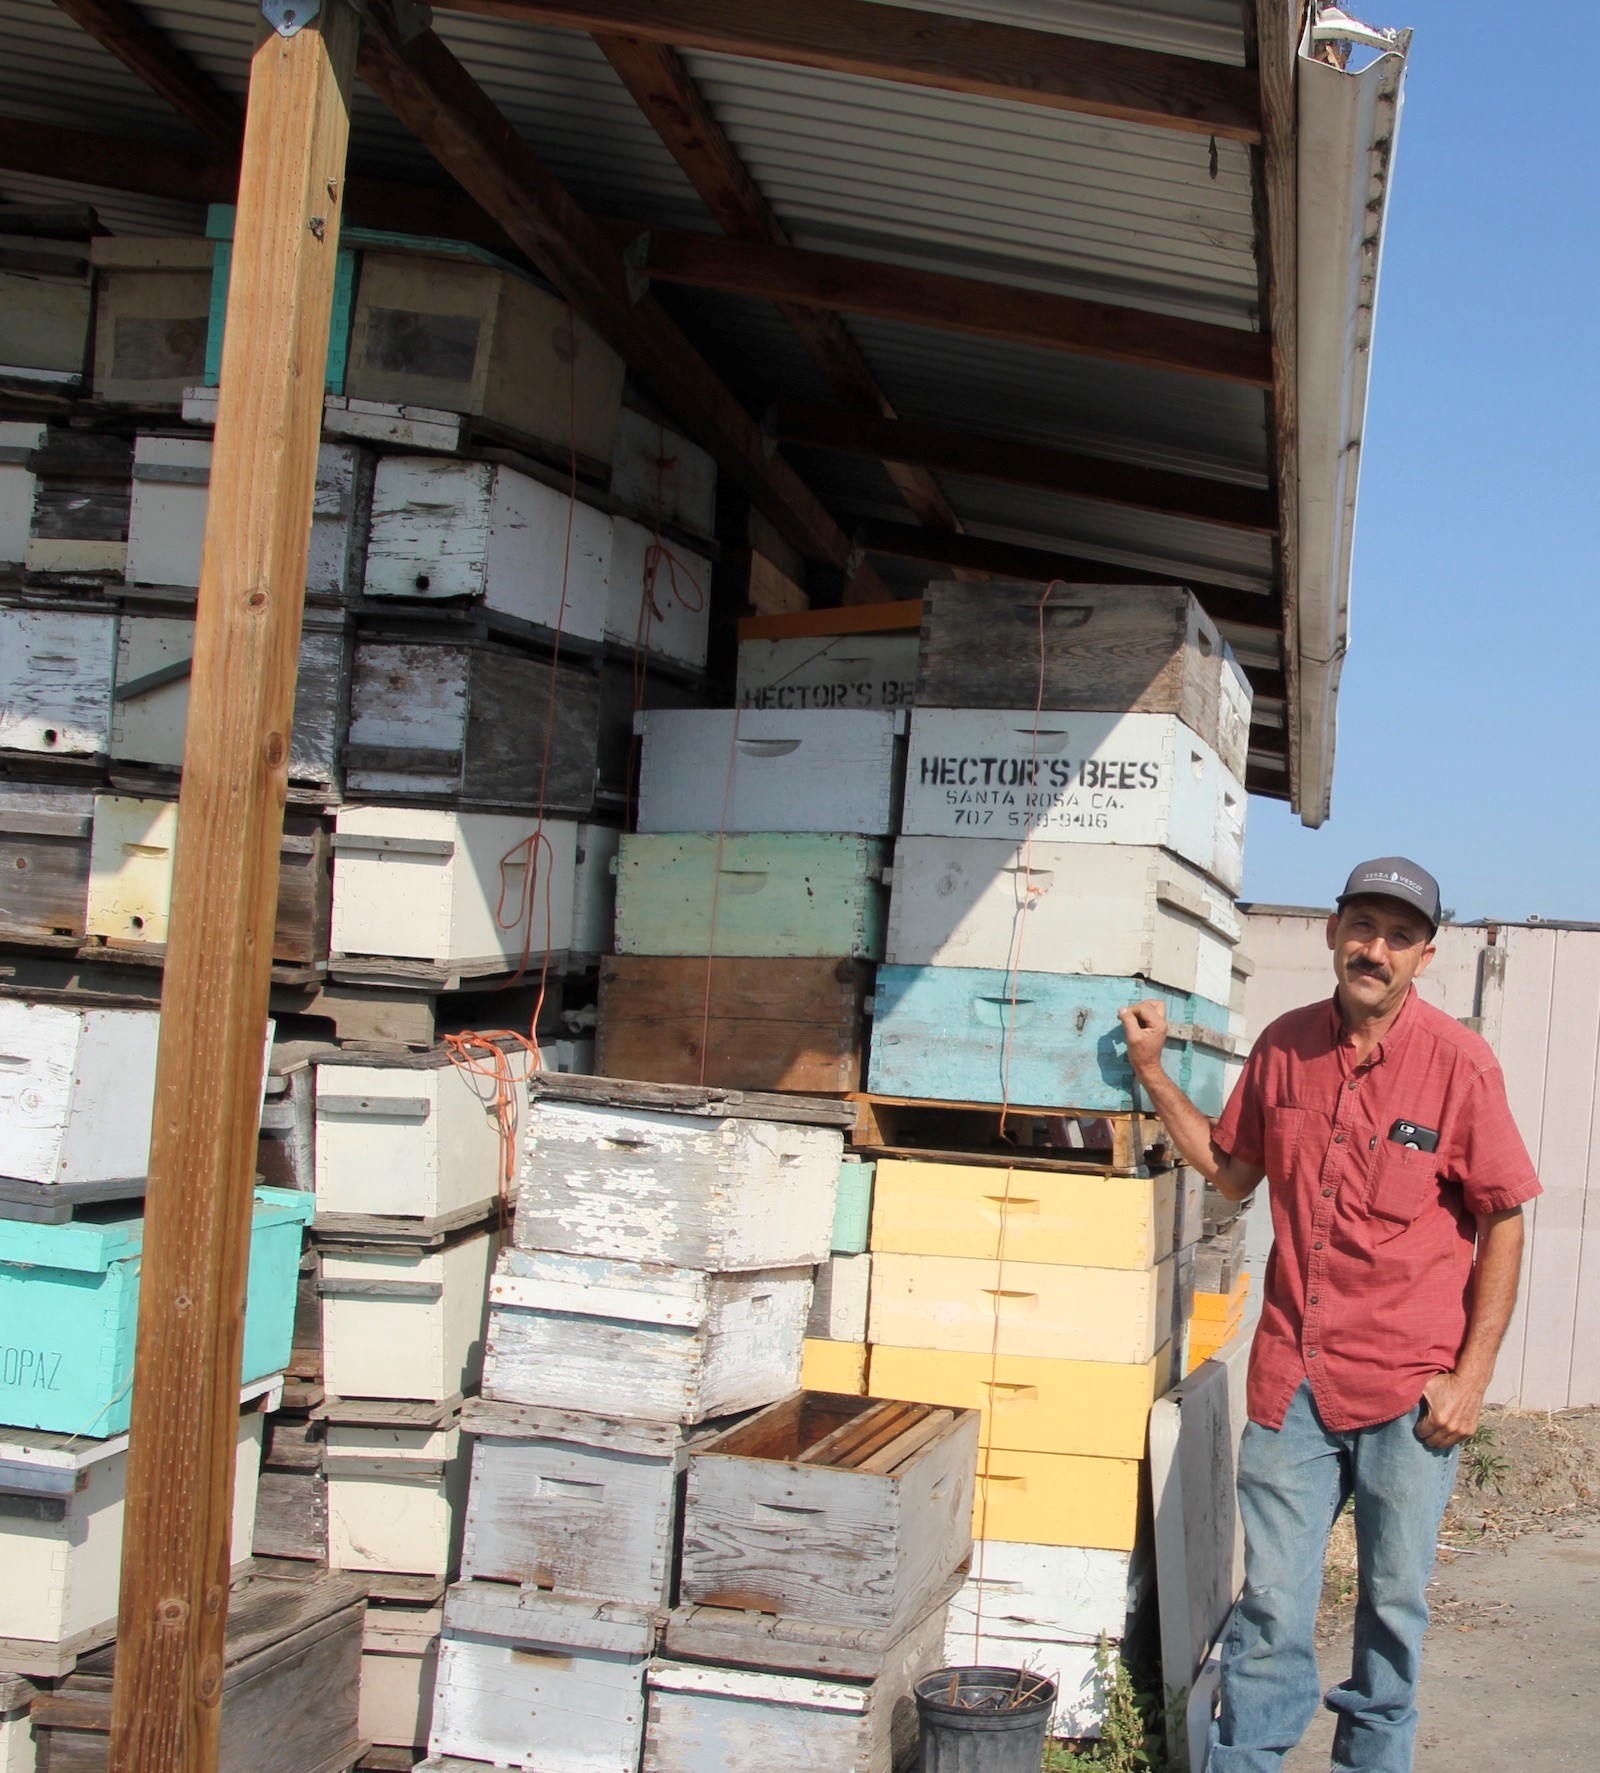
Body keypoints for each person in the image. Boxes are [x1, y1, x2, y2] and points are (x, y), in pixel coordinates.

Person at [1118, 858, 1539, 1773]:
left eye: (1396, 935)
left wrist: (1471, 1378)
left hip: (1408, 1392)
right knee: (1270, 1603)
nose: (1373, 948)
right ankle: (1247, 1760)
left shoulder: (1459, 1064)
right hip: (1292, 1380)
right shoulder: (1283, 1047)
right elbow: (1233, 1172)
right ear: (1332, 931)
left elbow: (1503, 1219)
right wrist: (1152, 1073)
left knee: (1392, 1609)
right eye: (1361, 925)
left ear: (1425, 955)